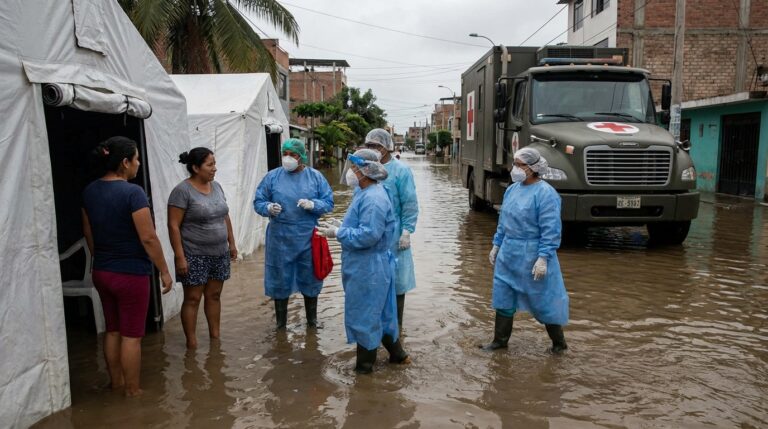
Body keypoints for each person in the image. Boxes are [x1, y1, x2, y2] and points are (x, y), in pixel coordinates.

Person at [81, 136, 173, 396]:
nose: (139, 163)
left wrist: (100, 258)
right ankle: (132, 391)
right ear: (124, 162)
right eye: (136, 159)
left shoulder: (89, 191)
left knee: (113, 330)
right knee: (132, 335)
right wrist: (164, 270)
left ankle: (116, 383)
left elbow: (88, 232)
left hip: (103, 270)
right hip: (131, 273)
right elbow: (148, 237)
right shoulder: (133, 193)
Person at [318, 148, 410, 374]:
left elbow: (369, 235)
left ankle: (364, 372)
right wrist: (342, 225)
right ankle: (399, 357)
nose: (350, 172)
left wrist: (338, 234)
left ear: (365, 170)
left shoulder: (374, 198)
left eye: (354, 168)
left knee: (365, 318)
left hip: (369, 268)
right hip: (367, 265)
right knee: (381, 314)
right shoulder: (364, 191)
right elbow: (361, 224)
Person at [480, 147, 569, 354]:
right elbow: (503, 221)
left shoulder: (546, 194)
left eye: (519, 165)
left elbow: (551, 229)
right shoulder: (512, 189)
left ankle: (559, 344)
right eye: (515, 164)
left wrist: (544, 258)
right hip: (509, 253)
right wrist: (497, 244)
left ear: (532, 168)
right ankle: (499, 341)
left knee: (543, 298)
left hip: (533, 254)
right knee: (503, 295)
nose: (514, 169)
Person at [253, 139, 334, 329]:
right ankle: (281, 326)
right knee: (279, 280)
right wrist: (268, 208)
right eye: (285, 153)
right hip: (280, 237)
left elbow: (329, 202)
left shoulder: (315, 177)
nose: (288, 158)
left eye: (292, 154)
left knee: (311, 278)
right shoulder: (272, 177)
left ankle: (312, 323)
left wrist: (314, 205)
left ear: (302, 157)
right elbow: (258, 201)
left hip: (308, 236)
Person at [168, 147, 237, 349]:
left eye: (214, 164)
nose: (215, 169)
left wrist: (231, 243)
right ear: (196, 168)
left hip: (219, 253)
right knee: (193, 298)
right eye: (210, 165)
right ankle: (192, 343)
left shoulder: (217, 187)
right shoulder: (182, 191)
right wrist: (180, 257)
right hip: (194, 254)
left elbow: (225, 215)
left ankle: (215, 339)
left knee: (214, 295)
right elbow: (173, 225)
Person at [364, 129, 419, 330]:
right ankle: (377, 326)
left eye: (377, 146)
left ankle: (397, 327)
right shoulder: (365, 169)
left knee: (397, 280)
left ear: (387, 147)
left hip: (395, 233)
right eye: (369, 146)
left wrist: (407, 231)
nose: (373, 150)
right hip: (371, 232)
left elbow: (409, 203)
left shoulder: (401, 171)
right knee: (374, 279)